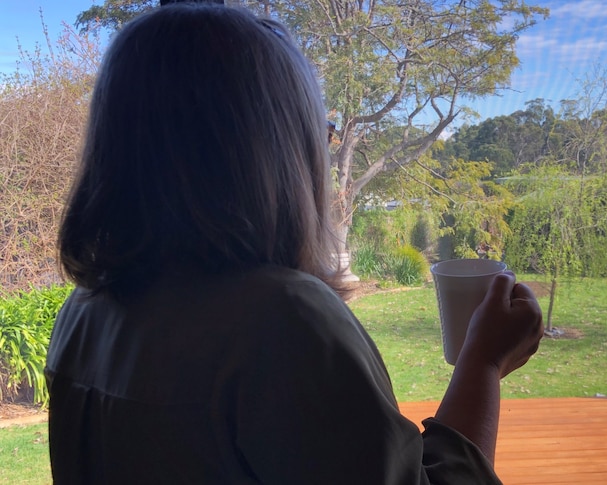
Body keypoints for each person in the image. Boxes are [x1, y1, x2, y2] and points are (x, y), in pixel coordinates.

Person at [46, 2, 544, 484]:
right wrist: (482, 361)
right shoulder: (280, 319)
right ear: (277, 153)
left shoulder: (84, 315)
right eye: (320, 135)